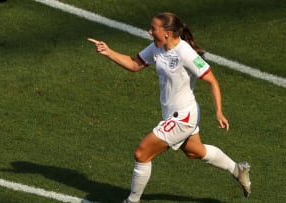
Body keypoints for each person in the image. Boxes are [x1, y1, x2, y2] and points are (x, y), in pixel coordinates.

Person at [87, 12, 251, 203]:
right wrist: (109, 52)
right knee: (194, 152)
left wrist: (219, 112)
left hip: (183, 116)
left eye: (153, 29)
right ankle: (237, 169)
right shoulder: (157, 47)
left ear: (167, 33)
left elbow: (212, 81)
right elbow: (134, 64)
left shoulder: (186, 53)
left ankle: (132, 201)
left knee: (142, 153)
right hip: (173, 115)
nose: (149, 32)